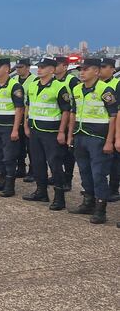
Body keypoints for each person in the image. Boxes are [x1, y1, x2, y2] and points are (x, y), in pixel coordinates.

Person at [67, 58, 117, 224]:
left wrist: (110, 140)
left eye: (86, 69)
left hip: (97, 137)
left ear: (96, 72)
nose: (82, 72)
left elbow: (113, 116)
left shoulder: (106, 90)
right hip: (80, 135)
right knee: (84, 171)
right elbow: (73, 113)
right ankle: (88, 202)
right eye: (81, 69)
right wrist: (70, 135)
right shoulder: (76, 89)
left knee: (99, 174)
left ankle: (100, 209)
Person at [23, 58, 71, 208]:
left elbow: (66, 111)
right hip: (35, 130)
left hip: (51, 132)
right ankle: (41, 192)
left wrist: (62, 131)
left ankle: (59, 197)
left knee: (55, 164)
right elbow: (28, 107)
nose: (40, 69)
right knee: (37, 163)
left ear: (52, 70)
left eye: (43, 67)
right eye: (39, 67)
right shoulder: (33, 86)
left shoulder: (59, 87)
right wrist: (26, 125)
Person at [0, 58, 25, 198]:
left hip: (8, 127)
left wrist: (15, 129)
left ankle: (10, 186)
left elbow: (19, 109)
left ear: (7, 69)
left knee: (9, 157)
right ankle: (1, 181)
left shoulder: (15, 86)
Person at [54, 56, 79, 191]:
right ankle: (57, 175)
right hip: (55, 121)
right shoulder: (52, 80)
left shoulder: (72, 80)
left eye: (57, 65)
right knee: (55, 153)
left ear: (65, 67)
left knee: (68, 154)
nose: (55, 67)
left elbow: (76, 102)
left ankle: (67, 180)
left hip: (69, 121)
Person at [99, 58, 120, 201]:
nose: (101, 69)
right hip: (99, 127)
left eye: (104, 67)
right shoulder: (95, 84)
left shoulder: (117, 84)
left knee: (115, 161)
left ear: (113, 69)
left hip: (114, 125)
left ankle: (113, 189)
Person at [14, 58, 37, 181]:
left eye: (21, 67)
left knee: (31, 147)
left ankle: (33, 171)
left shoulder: (35, 80)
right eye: (17, 67)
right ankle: (20, 167)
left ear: (28, 68)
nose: (18, 69)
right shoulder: (13, 80)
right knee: (18, 145)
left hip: (28, 116)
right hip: (17, 116)